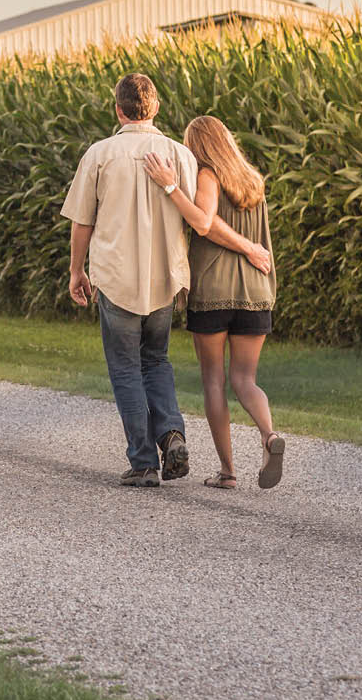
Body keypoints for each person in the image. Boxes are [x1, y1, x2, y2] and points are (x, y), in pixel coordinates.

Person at [61, 73, 264, 488]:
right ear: (154, 109)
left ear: (118, 110)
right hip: (165, 279)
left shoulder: (99, 155)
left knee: (124, 368)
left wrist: (76, 270)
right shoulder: (180, 155)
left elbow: (82, 220)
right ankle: (172, 435)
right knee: (156, 361)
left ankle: (143, 463)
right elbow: (199, 218)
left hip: (116, 278)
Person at [143, 115, 282, 490]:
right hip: (256, 292)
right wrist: (253, 249)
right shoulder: (253, 180)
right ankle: (269, 436)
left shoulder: (208, 175)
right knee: (245, 379)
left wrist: (171, 186)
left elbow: (204, 223)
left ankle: (227, 472)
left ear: (198, 145)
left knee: (214, 383)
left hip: (214, 292)